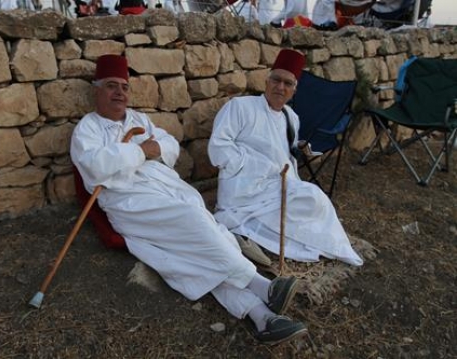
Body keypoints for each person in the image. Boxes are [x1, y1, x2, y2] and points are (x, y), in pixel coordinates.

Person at [70, 54, 309, 345]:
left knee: (197, 248)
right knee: (194, 221)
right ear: (97, 90)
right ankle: (262, 284)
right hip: (129, 200)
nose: (120, 92)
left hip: (166, 187)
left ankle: (262, 317)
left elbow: (169, 145)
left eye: (124, 86)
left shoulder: (138, 119)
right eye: (111, 86)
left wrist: (149, 148)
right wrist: (141, 151)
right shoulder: (87, 128)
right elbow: (94, 167)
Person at [208, 49, 364, 267]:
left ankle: (329, 244)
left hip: (281, 184)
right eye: (276, 80)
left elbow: (283, 148)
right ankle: (248, 226)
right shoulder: (240, 107)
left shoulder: (291, 117)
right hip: (244, 188)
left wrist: (299, 147)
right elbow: (218, 149)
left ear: (294, 90)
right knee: (314, 198)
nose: (280, 87)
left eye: (287, 84)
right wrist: (260, 166)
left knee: (313, 201)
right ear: (266, 81)